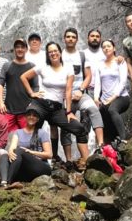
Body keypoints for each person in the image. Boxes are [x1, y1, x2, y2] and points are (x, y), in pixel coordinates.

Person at [20, 42, 89, 171]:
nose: (53, 53)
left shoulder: (68, 69)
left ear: (60, 52)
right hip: (41, 104)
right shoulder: (43, 67)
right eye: (50, 51)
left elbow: (68, 91)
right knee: (33, 119)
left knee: (79, 128)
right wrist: (32, 93)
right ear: (47, 54)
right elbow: (23, 77)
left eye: (55, 50)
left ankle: (87, 162)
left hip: (56, 108)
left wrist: (68, 112)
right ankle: (31, 160)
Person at [60, 27, 106, 156]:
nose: (70, 39)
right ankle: (68, 159)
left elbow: (88, 76)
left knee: (94, 110)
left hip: (80, 94)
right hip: (64, 96)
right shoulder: (59, 55)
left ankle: (101, 145)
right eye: (68, 37)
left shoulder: (82, 55)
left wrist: (80, 90)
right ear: (64, 39)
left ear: (77, 39)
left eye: (73, 37)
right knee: (66, 125)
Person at [0, 107, 51, 189]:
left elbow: (49, 154)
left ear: (37, 119)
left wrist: (31, 152)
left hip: (41, 167)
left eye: (34, 115)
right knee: (4, 155)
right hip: (25, 171)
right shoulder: (18, 132)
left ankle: (9, 182)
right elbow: (12, 147)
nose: (31, 117)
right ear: (25, 117)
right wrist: (10, 151)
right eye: (29, 115)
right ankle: (3, 183)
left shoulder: (42, 132)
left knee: (20, 150)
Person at [93, 39, 130, 143]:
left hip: (121, 97)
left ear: (114, 48)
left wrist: (113, 97)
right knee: (101, 115)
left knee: (112, 110)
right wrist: (96, 98)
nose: (106, 48)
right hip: (105, 100)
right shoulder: (99, 65)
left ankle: (123, 139)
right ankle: (109, 143)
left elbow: (123, 82)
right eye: (104, 47)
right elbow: (97, 84)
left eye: (108, 46)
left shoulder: (120, 62)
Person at [0, 38, 38, 132]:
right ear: (14, 49)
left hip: (26, 111)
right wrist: (0, 102)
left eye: (22, 47)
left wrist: (32, 104)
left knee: (26, 137)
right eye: (17, 47)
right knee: (6, 136)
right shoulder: (7, 66)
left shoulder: (32, 66)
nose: (20, 49)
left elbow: (36, 87)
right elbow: (1, 84)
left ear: (26, 49)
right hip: (8, 110)